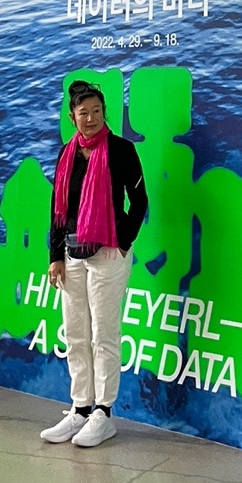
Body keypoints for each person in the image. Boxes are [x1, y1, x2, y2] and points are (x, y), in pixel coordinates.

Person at [40, 79, 148, 448]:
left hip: (107, 253)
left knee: (104, 334)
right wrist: (55, 256)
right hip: (72, 254)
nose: (91, 118)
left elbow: (139, 201)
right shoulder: (67, 154)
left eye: (97, 111)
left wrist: (123, 241)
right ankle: (80, 408)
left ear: (105, 113)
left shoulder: (121, 150)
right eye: (83, 112)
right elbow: (58, 209)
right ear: (72, 117)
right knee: (75, 333)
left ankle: (103, 412)